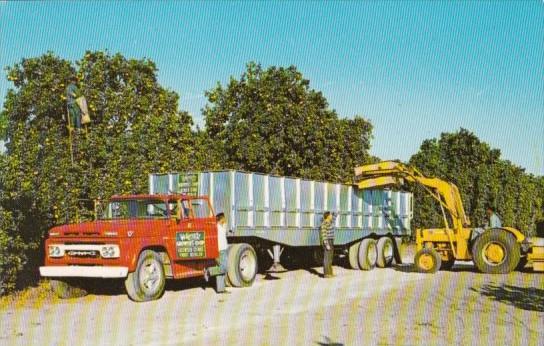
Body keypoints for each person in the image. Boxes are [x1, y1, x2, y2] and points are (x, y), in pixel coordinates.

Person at [215, 212, 230, 293]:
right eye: (224, 218)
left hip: (224, 248)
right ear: (221, 218)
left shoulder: (222, 226)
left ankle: (221, 288)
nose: (225, 219)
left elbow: (226, 232)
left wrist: (225, 224)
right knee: (223, 268)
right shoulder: (216, 227)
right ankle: (209, 271)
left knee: (223, 269)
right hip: (220, 249)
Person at [320, 211, 335, 278]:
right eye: (330, 215)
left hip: (331, 241)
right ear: (328, 216)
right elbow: (324, 234)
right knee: (327, 258)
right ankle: (326, 274)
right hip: (327, 241)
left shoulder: (330, 222)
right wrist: (326, 244)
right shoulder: (324, 223)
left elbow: (335, 215)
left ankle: (330, 273)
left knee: (330, 258)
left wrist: (333, 212)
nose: (332, 216)